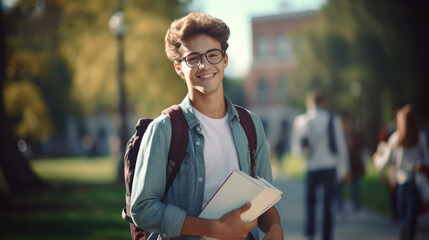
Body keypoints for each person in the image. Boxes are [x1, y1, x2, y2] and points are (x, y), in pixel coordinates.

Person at [129, 13, 283, 240]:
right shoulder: (164, 130)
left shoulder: (250, 124)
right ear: (179, 68)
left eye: (213, 55)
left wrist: (275, 228)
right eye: (193, 58)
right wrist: (212, 229)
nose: (204, 65)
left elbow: (263, 199)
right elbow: (142, 209)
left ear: (225, 60)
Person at [291, 89, 350, 240]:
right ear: (323, 103)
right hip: (329, 165)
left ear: (309, 103)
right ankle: (326, 236)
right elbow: (341, 145)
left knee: (310, 203)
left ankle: (309, 234)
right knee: (328, 204)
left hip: (311, 166)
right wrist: (344, 170)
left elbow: (296, 150)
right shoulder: (333, 119)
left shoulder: (301, 120)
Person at [373, 104, 429, 240]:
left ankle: (405, 234)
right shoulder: (420, 137)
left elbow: (384, 162)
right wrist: (421, 165)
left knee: (403, 217)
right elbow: (427, 158)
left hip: (402, 181)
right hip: (415, 181)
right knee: (412, 218)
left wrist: (376, 159)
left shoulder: (396, 138)